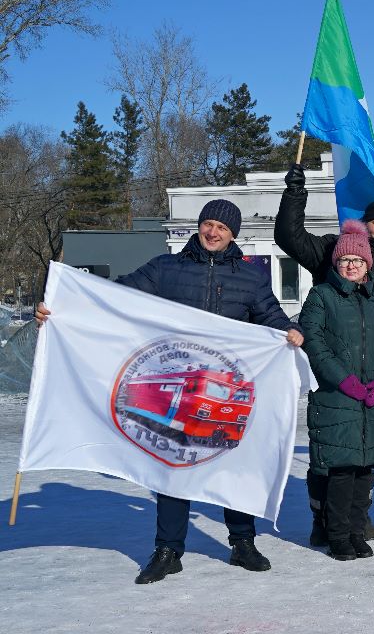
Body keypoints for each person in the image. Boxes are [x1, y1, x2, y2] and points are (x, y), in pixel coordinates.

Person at [38, 199, 305, 584]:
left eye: (222, 228)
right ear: (200, 226)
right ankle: (168, 549)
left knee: (234, 464)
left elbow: (273, 319)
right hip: (178, 384)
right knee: (174, 464)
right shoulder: (165, 269)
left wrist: (292, 333)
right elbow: (112, 297)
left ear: (233, 235)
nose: (213, 233)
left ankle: (242, 542)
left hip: (226, 391)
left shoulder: (252, 279)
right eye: (208, 224)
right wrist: (60, 306)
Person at [277, 163, 374, 543]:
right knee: (328, 459)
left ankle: (355, 520)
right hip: (335, 375)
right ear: (365, 226)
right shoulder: (333, 251)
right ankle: (324, 522)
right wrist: (296, 192)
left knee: (364, 454)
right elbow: (289, 236)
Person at [299, 220, 374, 561]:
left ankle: (357, 531)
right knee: (341, 471)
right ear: (337, 263)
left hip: (373, 399)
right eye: (345, 260)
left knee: (364, 470)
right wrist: (342, 380)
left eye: (357, 261)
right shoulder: (321, 296)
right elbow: (313, 342)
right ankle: (338, 534)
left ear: (367, 265)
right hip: (336, 397)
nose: (351, 265)